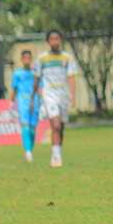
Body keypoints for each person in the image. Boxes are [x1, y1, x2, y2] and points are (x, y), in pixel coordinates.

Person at [31, 29, 79, 168]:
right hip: (49, 95)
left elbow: (71, 78)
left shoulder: (67, 58)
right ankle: (56, 158)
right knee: (56, 125)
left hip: (62, 96)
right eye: (52, 39)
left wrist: (73, 97)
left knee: (61, 128)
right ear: (48, 41)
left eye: (57, 38)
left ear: (61, 40)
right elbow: (36, 78)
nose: (55, 42)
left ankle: (56, 155)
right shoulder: (42, 58)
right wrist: (34, 98)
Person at [11, 50, 40, 162]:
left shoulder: (35, 73)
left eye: (29, 57)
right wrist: (11, 103)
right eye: (25, 58)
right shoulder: (17, 73)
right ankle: (27, 152)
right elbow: (14, 88)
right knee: (26, 127)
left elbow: (39, 88)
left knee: (32, 130)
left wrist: (42, 103)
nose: (27, 60)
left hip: (34, 102)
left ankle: (30, 150)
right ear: (22, 59)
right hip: (22, 103)